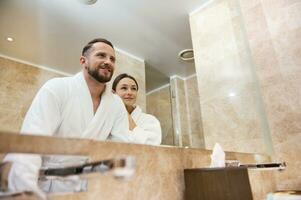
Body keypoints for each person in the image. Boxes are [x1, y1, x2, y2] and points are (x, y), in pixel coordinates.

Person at [3, 38, 131, 196]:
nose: (108, 61)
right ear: (83, 60)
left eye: (112, 59)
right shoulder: (57, 88)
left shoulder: (116, 104)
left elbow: (120, 146)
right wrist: (22, 189)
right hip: (47, 185)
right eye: (101, 55)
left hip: (89, 186)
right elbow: (32, 141)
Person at [112, 73, 162, 145]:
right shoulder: (109, 119)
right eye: (124, 88)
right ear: (114, 93)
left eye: (133, 89)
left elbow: (152, 147)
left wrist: (123, 112)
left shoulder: (150, 120)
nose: (129, 92)